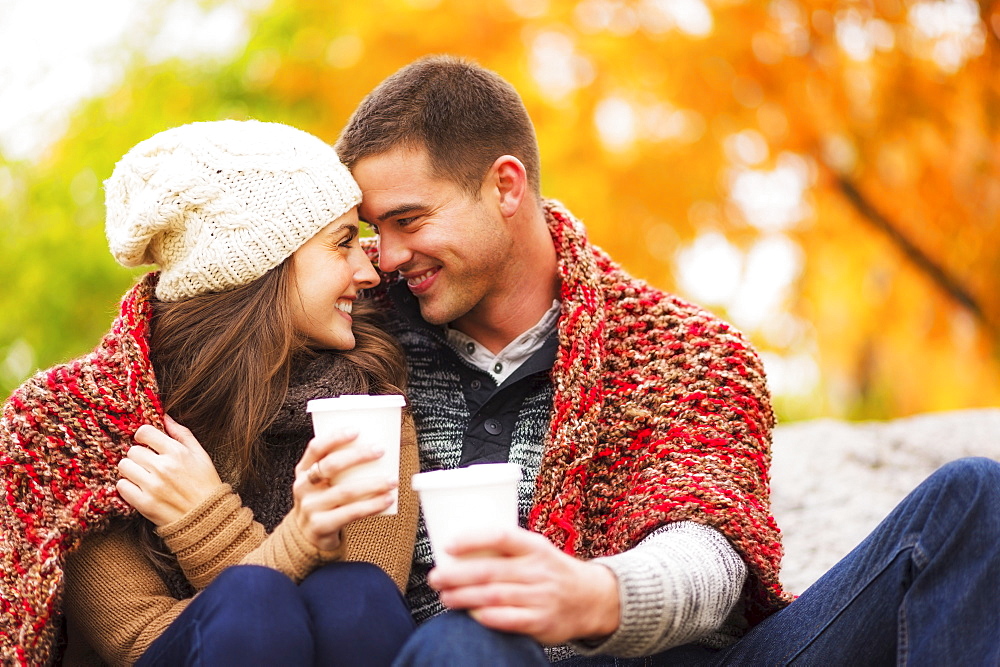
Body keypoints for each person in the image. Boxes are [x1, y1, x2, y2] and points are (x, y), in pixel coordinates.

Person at [334, 55, 1000, 665]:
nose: (386, 257)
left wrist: (595, 594)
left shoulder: (681, 350)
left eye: (409, 222)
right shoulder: (358, 341)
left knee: (971, 498)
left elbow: (708, 550)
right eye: (372, 230)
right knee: (462, 638)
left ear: (505, 186)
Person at [0, 119, 420, 665]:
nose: (370, 269)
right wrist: (291, 548)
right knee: (252, 598)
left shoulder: (366, 404)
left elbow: (363, 617)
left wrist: (206, 522)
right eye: (342, 243)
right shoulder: (79, 420)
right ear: (258, 268)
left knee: (352, 591)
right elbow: (134, 638)